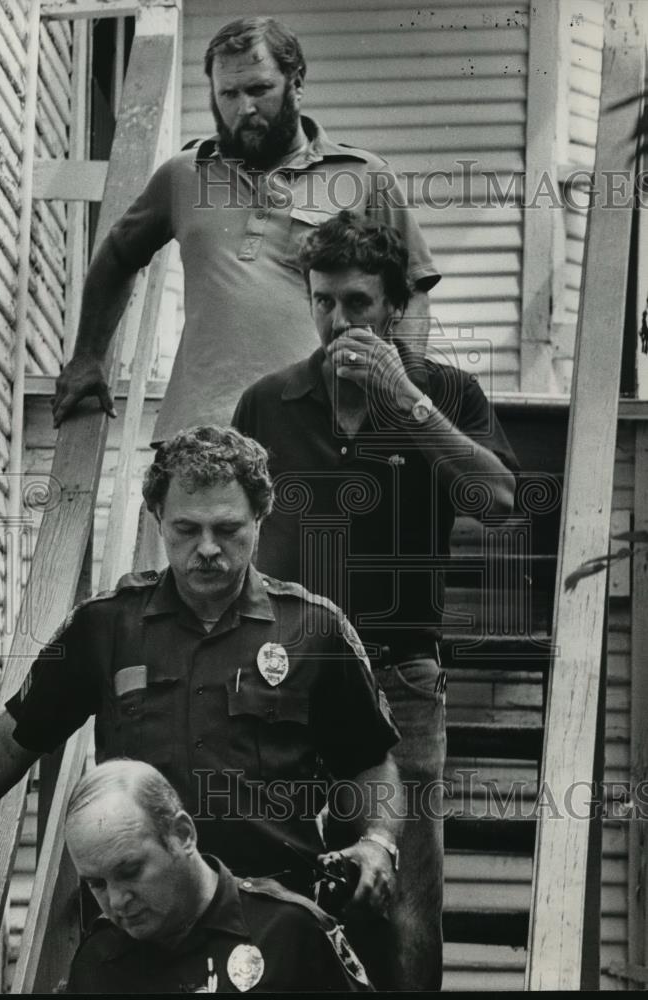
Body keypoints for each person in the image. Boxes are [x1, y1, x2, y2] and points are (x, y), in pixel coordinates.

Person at [0, 427, 402, 985]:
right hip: (138, 935)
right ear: (156, 517)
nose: (209, 549)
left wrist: (377, 841)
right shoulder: (107, 626)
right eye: (187, 529)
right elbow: (10, 740)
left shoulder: (314, 630)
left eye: (228, 529)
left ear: (260, 519)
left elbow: (371, 756)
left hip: (274, 929)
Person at [232, 211, 520, 990]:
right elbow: (235, 536)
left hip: (399, 687)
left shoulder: (443, 392)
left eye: (357, 303)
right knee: (278, 890)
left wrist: (407, 402)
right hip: (284, 681)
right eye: (322, 301)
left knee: (400, 909)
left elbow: (496, 499)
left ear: (393, 306)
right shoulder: (267, 403)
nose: (337, 322)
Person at [51, 16, 440, 443]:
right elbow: (118, 255)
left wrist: (403, 394)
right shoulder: (183, 175)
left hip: (318, 430)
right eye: (228, 94)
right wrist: (88, 355)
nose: (244, 108)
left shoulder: (364, 176)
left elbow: (412, 289)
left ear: (297, 82)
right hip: (198, 430)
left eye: (259, 89)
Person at [64, 760, 371, 993]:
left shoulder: (289, 932)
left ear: (182, 835)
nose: (117, 901)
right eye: (97, 884)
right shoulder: (97, 962)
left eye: (130, 871)